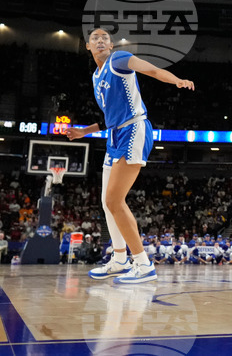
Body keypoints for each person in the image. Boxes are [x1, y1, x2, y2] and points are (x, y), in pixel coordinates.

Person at [59, 26, 194, 284]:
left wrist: (176, 79)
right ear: (88, 47)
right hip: (115, 134)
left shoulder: (118, 60)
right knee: (106, 202)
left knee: (114, 200)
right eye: (94, 38)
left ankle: (143, 264)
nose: (100, 40)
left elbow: (152, 70)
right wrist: (83, 132)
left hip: (134, 128)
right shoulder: (96, 77)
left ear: (110, 46)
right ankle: (119, 259)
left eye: (105, 38)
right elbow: (108, 118)